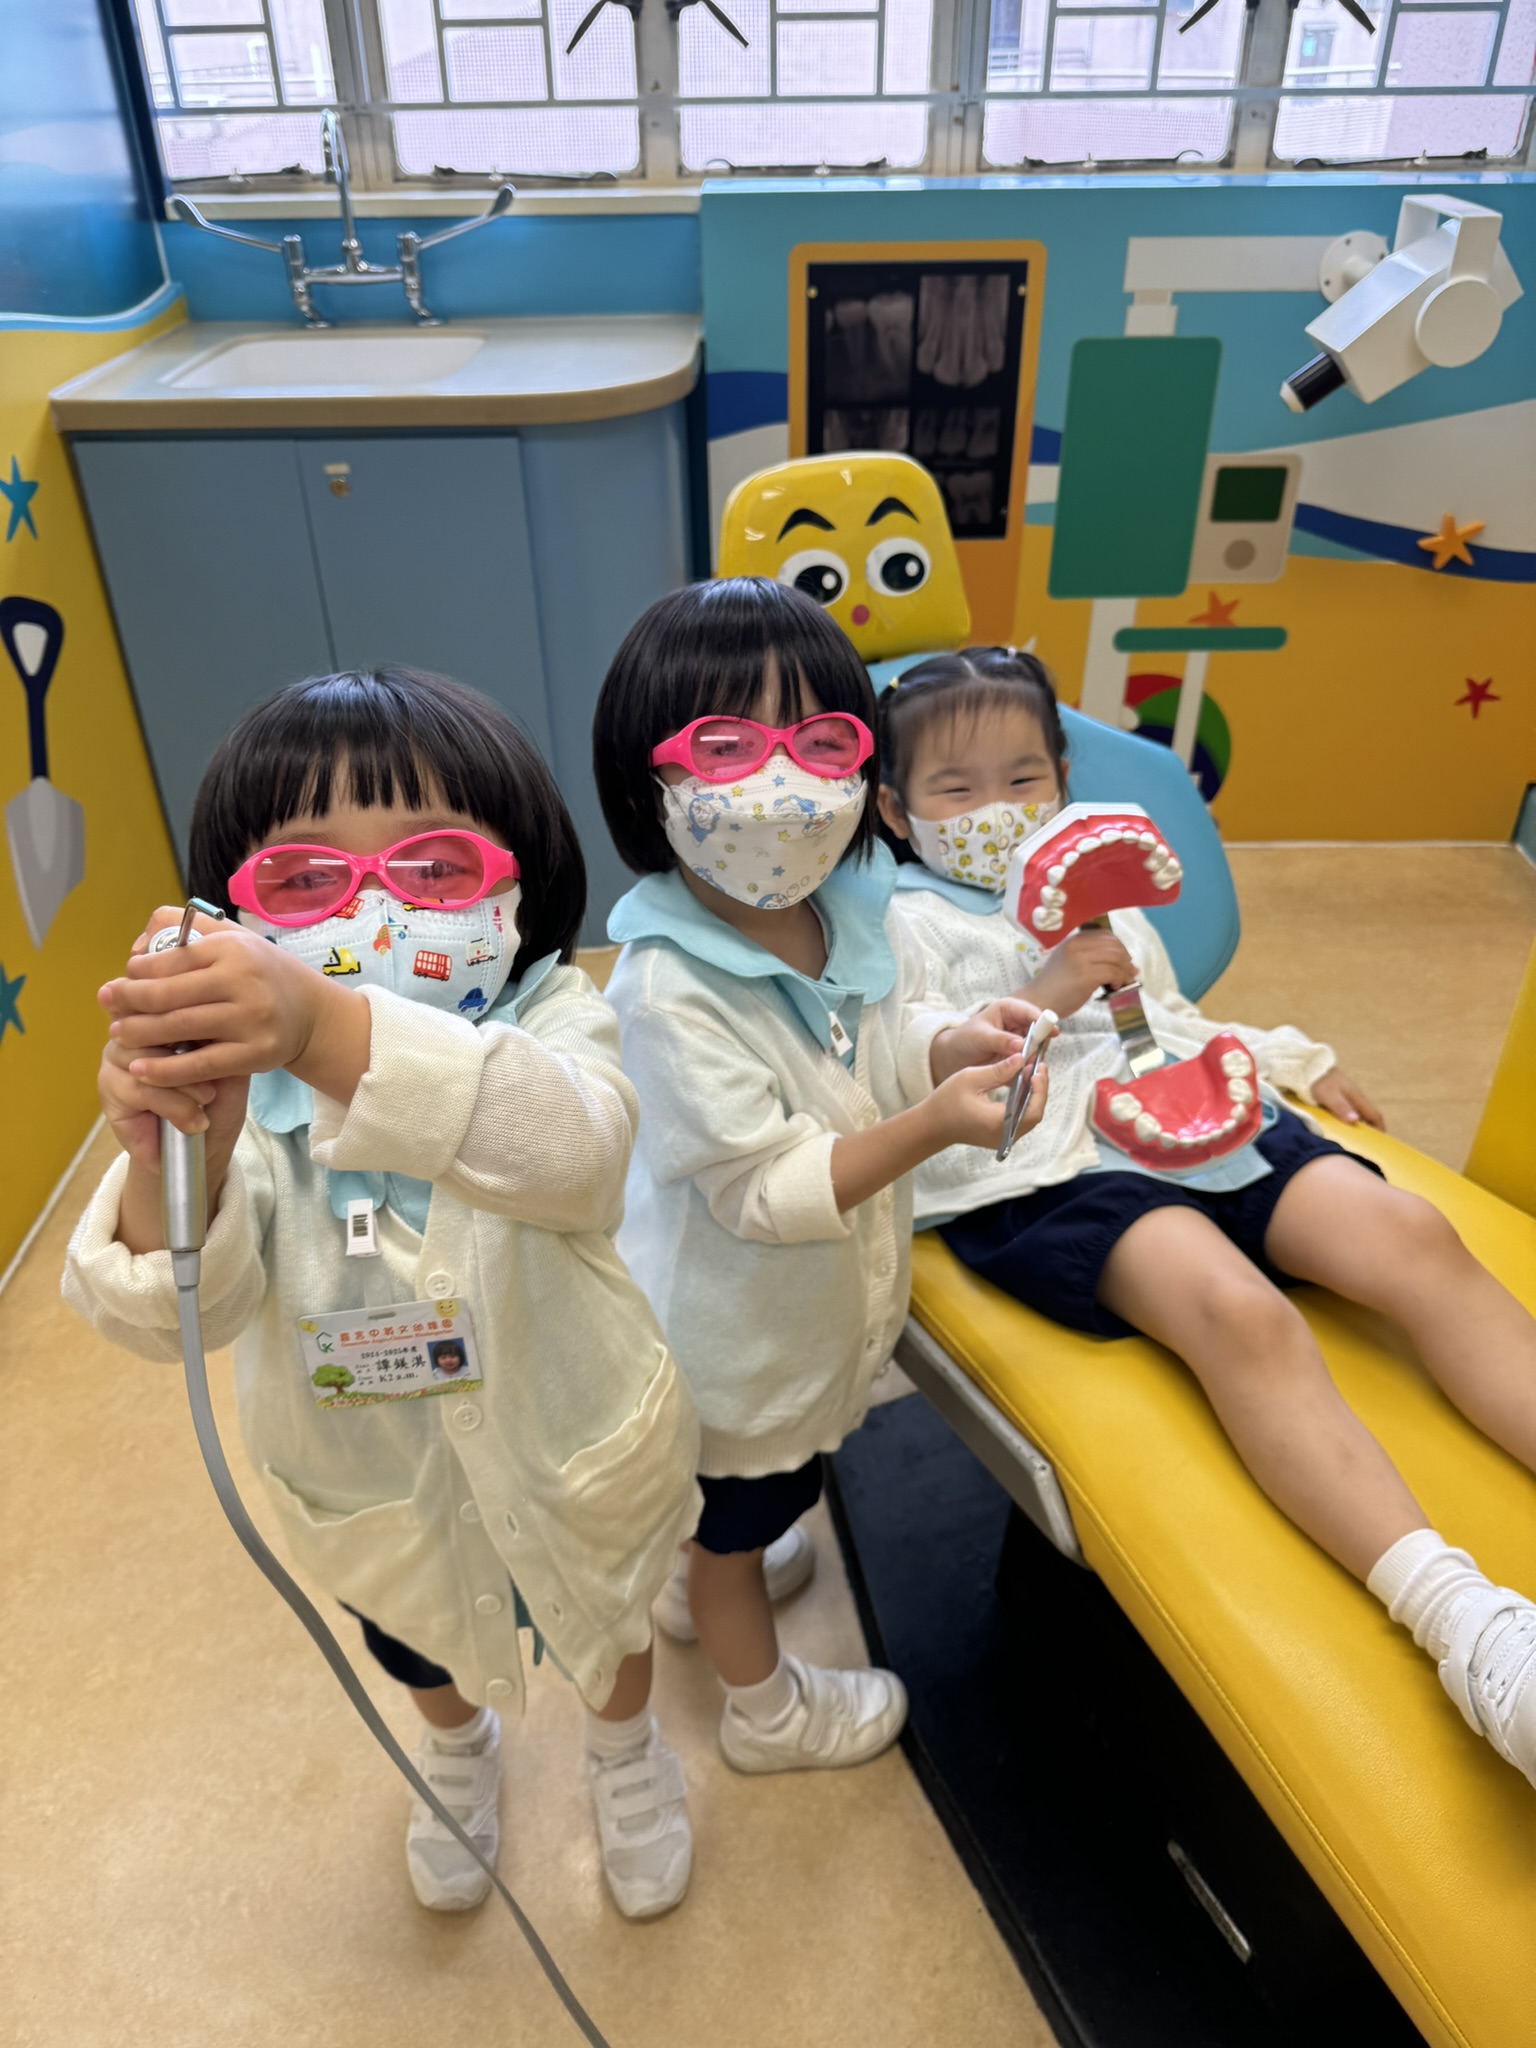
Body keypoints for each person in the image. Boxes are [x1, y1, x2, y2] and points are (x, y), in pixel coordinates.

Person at [63, 667, 703, 1919]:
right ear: (231, 917)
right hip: (372, 1483)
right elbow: (179, 1309)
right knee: (414, 1630)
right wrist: (171, 1153)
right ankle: (458, 1747)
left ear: (519, 882)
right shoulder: (240, 1094)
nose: (371, 908)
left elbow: (579, 1154)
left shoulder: (555, 1013)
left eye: (434, 866)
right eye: (306, 878)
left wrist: (326, 1027)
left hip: (573, 1441)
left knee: (612, 1614)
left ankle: (627, 1751)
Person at [876, 645, 1536, 1787]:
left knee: (1414, 1236)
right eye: (956, 788)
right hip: (1045, 1159)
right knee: (1241, 1313)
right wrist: (1047, 991)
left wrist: (1288, 1058)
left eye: (1024, 778)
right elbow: (911, 1070)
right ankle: (1469, 1625)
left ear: (1062, 776)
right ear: (894, 809)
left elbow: (1169, 1018)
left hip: (1190, 1111)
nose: (997, 809)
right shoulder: (895, 921)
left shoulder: (1102, 892)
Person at [591, 580, 1047, 1774]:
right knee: (738, 1533)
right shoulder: (666, 987)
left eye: (820, 740)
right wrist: (934, 1123)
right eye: (728, 745)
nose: (782, 782)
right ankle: (765, 1712)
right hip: (732, 1348)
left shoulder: (840, 911)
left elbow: (877, 1034)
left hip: (798, 1329)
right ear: (645, 776)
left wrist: (950, 1044)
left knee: (743, 1505)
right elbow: (766, 1188)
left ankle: (702, 1567)